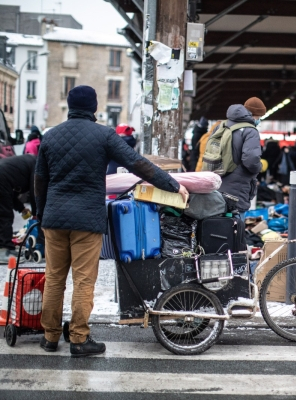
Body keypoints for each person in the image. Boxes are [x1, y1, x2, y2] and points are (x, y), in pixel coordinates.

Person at [35, 85, 187, 357]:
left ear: (70, 106)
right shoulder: (104, 135)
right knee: (83, 281)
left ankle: (50, 337)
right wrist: (173, 185)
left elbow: (40, 180)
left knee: (54, 279)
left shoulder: (51, 137)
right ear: (93, 107)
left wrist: (41, 214)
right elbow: (138, 164)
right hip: (86, 221)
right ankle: (79, 339)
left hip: (54, 219)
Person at [217, 98, 265, 215]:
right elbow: (251, 160)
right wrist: (259, 167)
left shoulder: (220, 126)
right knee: (235, 227)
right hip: (237, 188)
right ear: (255, 115)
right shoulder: (250, 131)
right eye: (259, 117)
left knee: (216, 225)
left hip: (216, 183)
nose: (259, 120)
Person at [0, 154, 37, 263]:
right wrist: (35, 214)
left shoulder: (28, 161)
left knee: (3, 212)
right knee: (5, 215)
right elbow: (35, 191)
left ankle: (7, 248)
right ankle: (3, 250)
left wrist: (21, 209)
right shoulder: (37, 164)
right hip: (2, 179)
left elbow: (10, 195)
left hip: (3, 180)